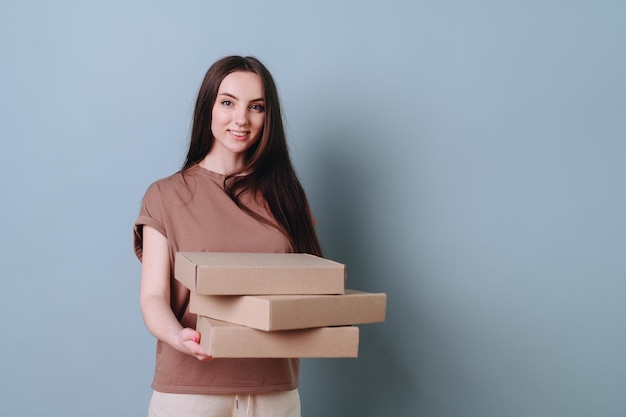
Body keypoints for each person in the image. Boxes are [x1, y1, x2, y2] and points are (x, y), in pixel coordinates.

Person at [133, 55, 322, 417]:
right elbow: (153, 297)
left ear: (269, 117)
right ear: (209, 107)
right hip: (191, 391)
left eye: (257, 107)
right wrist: (178, 337)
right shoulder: (165, 196)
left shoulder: (286, 196)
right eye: (228, 103)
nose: (241, 119)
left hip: (273, 392)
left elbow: (309, 287)